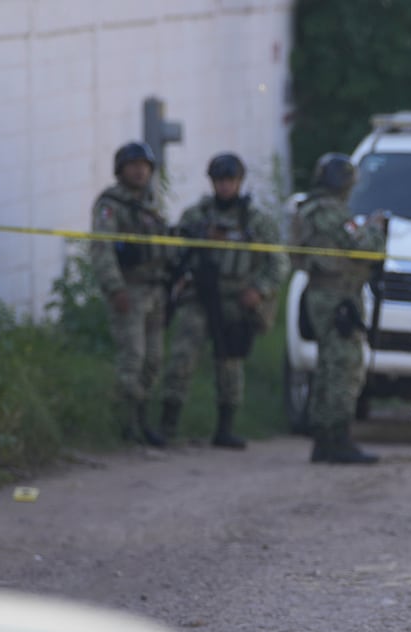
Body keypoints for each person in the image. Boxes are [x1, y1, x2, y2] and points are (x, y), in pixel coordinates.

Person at [163, 152, 290, 448]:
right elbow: (174, 251)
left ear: (239, 182)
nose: (224, 187)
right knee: (183, 355)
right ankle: (168, 425)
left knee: (230, 362)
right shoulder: (197, 215)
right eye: (219, 181)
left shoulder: (256, 221)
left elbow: (278, 263)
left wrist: (259, 289)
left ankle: (226, 427)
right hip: (200, 295)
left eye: (230, 181)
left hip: (236, 297)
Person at [293, 152, 388, 463]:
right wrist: (375, 228)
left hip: (325, 293)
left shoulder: (309, 208)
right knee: (343, 367)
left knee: (329, 365)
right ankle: (337, 438)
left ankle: (325, 437)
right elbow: (364, 246)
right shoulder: (330, 212)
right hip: (335, 296)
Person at [90, 141, 170, 446]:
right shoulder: (111, 205)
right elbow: (102, 249)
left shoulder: (151, 205)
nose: (139, 171)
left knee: (153, 361)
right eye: (133, 165)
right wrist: (115, 288)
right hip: (130, 290)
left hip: (155, 290)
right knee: (132, 359)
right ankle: (128, 425)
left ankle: (141, 418)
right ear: (121, 170)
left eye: (144, 165)